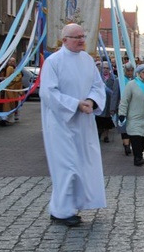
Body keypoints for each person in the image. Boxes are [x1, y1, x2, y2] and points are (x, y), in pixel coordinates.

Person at [40, 23, 107, 227]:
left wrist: (91, 101)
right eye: (76, 37)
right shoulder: (53, 62)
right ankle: (61, 211)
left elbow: (98, 86)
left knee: (82, 165)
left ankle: (69, 206)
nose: (81, 40)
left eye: (82, 36)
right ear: (64, 40)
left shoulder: (87, 60)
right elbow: (48, 93)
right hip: (62, 123)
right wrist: (75, 104)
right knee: (66, 166)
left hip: (84, 123)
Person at [95, 61, 120, 143]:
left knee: (107, 120)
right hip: (99, 101)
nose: (105, 70)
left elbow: (115, 91)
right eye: (104, 68)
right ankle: (98, 134)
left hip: (109, 102)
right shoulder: (97, 77)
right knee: (99, 119)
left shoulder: (113, 78)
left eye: (107, 68)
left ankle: (106, 136)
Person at [117, 62, 136, 156]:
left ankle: (130, 144)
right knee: (124, 126)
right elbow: (115, 95)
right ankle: (126, 145)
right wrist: (113, 108)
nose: (130, 72)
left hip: (134, 108)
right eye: (128, 70)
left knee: (132, 127)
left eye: (131, 70)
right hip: (123, 106)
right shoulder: (120, 80)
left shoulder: (137, 81)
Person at [0, 56, 22, 126]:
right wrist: (2, 80)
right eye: (10, 61)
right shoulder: (3, 69)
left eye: (13, 61)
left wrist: (8, 80)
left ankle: (8, 118)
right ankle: (3, 119)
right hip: (3, 91)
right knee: (3, 105)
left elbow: (18, 79)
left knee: (10, 105)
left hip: (12, 90)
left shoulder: (16, 70)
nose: (11, 63)